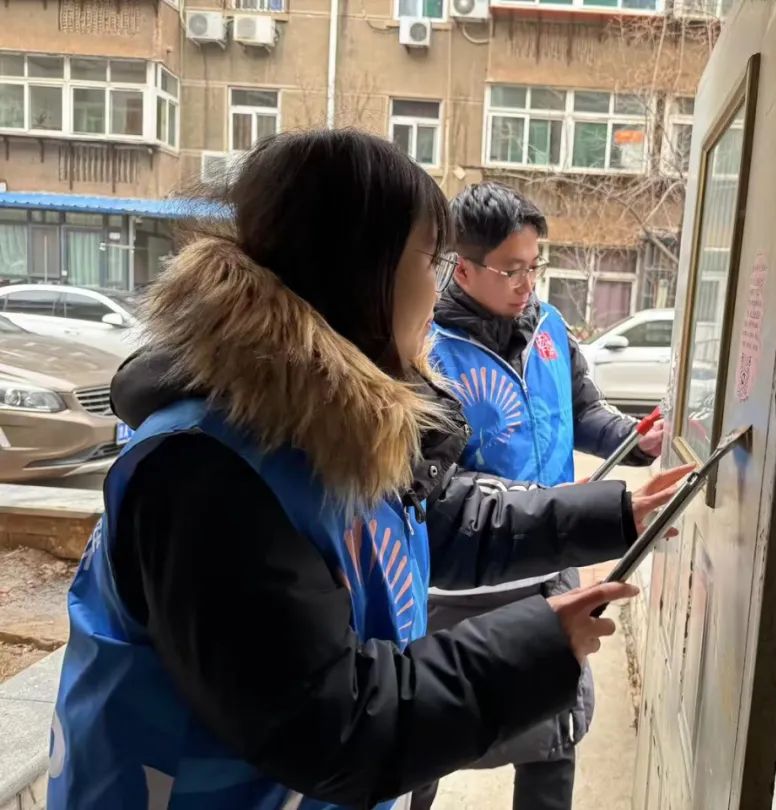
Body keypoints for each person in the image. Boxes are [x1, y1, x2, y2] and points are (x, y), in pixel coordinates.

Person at [47, 131, 658, 810]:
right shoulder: (205, 472)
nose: (437, 291)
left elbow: (438, 520)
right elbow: (328, 724)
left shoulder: (323, 426)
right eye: (432, 260)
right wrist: (537, 646)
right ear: (363, 271)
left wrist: (619, 514)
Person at [415, 183, 674, 810]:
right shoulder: (427, 349)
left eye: (535, 266)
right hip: (465, 584)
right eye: (511, 270)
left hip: (551, 564)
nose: (527, 284)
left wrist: (635, 440)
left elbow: (580, 411)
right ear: (463, 268)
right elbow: (434, 490)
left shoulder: (550, 328)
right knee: (433, 733)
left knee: (554, 734)